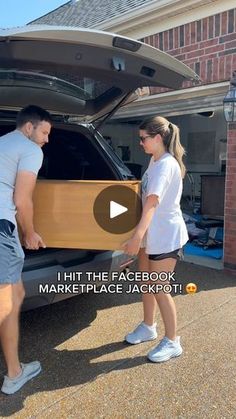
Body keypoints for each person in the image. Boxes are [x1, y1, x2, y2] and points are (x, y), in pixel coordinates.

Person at [123, 116, 188, 363]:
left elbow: (152, 203)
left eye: (143, 138)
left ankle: (173, 342)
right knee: (146, 283)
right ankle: (149, 326)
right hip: (152, 234)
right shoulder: (154, 160)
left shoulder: (165, 165)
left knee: (161, 289)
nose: (140, 143)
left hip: (165, 236)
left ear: (158, 138)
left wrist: (136, 237)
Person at [0, 105, 52, 394]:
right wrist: (30, 233)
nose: (47, 139)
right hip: (1, 228)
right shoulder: (31, 149)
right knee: (6, 307)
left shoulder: (3, 142)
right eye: (44, 132)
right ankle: (13, 374)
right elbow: (22, 199)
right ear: (29, 127)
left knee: (16, 293)